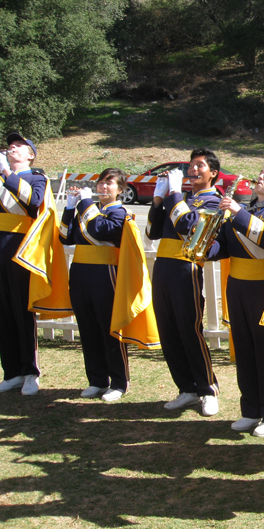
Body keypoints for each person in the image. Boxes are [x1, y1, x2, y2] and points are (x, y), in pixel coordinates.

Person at [209, 162, 264, 437]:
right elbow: (225, 245)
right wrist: (205, 248)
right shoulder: (249, 209)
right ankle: (250, 410)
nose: (260, 177)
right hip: (237, 285)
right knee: (244, 348)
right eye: (261, 173)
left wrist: (237, 212)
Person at [59, 168, 155, 402]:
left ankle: (119, 382)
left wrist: (83, 204)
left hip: (106, 274)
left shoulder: (121, 212)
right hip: (81, 272)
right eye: (100, 183)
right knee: (88, 327)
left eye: (109, 184)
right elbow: (65, 236)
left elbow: (98, 229)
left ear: (120, 190)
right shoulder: (90, 211)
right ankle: (97, 379)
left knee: (108, 328)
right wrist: (70, 206)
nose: (103, 187)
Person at [0, 133, 47, 395]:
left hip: (20, 249)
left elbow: (33, 201)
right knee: (1, 309)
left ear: (30, 155)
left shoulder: (37, 177)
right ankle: (11, 372)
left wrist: (4, 168)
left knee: (21, 310)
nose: (11, 148)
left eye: (18, 146)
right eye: (10, 146)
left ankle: (30, 372)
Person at [147, 149, 221, 416]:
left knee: (189, 330)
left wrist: (175, 194)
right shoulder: (178, 198)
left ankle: (208, 388)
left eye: (200, 166)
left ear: (213, 173)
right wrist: (158, 198)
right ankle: (186, 388)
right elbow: (152, 231)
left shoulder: (214, 201)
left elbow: (189, 226)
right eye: (191, 165)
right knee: (168, 332)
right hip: (163, 268)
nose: (193, 169)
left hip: (186, 268)